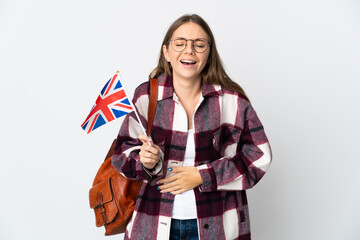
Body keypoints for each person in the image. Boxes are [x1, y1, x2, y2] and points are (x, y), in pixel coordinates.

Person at [112, 14, 272, 240]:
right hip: (153, 225)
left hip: (218, 226)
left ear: (209, 53)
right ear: (166, 52)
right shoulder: (146, 96)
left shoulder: (232, 102)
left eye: (199, 44)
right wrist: (146, 161)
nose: (189, 51)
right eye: (180, 44)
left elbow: (259, 157)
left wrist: (202, 176)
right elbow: (121, 154)